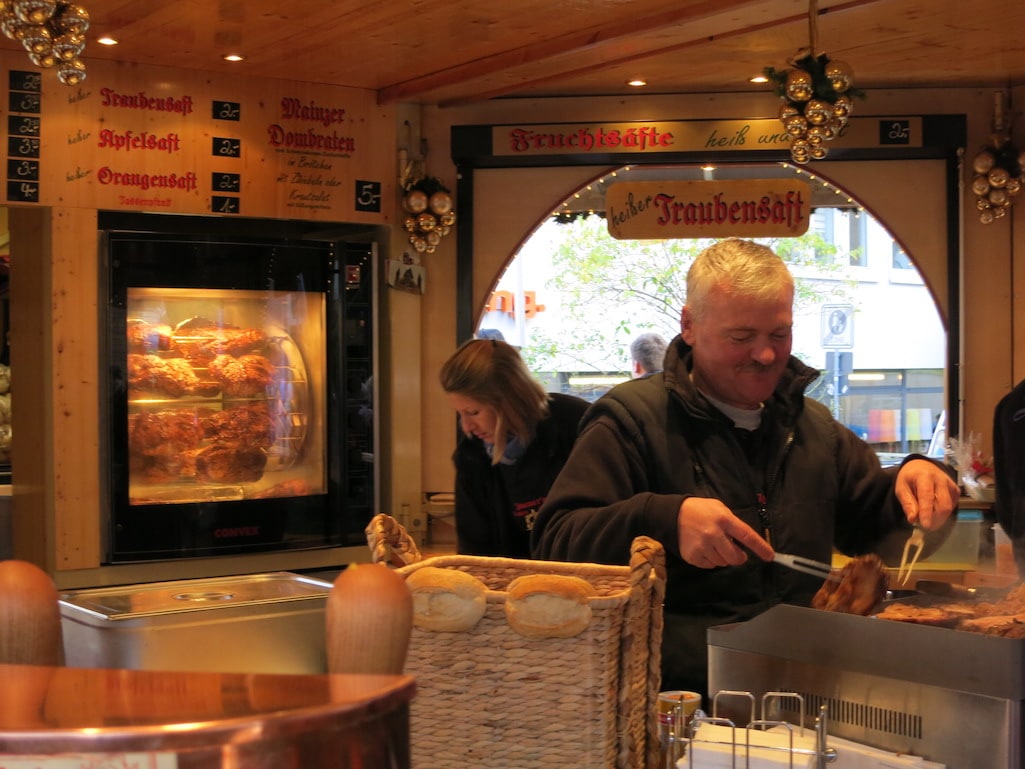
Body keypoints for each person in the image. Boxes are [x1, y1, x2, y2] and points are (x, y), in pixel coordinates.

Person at [531, 238, 959, 698]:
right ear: (690, 326)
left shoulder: (812, 427)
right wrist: (664, 520)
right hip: (675, 699)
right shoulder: (631, 419)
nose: (767, 355)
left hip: (804, 690)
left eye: (779, 334)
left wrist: (918, 487)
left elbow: (881, 534)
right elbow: (556, 543)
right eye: (742, 337)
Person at [440, 338, 589, 558]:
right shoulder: (471, 457)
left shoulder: (577, 426)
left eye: (473, 413)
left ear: (508, 401)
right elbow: (475, 552)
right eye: (459, 414)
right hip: (516, 583)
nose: (467, 427)